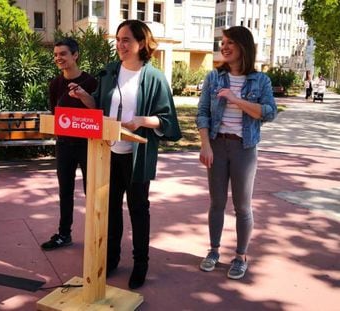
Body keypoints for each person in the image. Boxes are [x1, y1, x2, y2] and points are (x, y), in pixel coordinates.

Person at [68, 19, 182, 289]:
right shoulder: (109, 72)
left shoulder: (154, 77)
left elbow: (168, 122)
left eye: (126, 40)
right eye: (118, 39)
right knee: (111, 210)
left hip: (136, 156)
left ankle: (141, 264)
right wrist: (85, 97)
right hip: (108, 152)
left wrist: (142, 121)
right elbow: (100, 108)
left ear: (141, 43)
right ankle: (111, 258)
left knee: (138, 210)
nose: (120, 45)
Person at [195, 26, 277, 280]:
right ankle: (214, 250)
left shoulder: (260, 80)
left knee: (242, 206)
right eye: (223, 42)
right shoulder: (214, 78)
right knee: (217, 202)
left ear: (244, 46)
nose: (225, 46)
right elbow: (202, 113)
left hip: (244, 148)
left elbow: (269, 112)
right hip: (217, 146)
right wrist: (205, 144)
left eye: (231, 42)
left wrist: (236, 99)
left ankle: (241, 256)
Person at [41, 38, 98, 251]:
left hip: (88, 145)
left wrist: (84, 98)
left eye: (63, 54)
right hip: (64, 145)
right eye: (56, 55)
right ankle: (64, 234)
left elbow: (99, 112)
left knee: (91, 191)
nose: (58, 58)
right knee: (65, 190)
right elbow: (54, 114)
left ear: (75, 55)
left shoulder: (91, 82)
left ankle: (95, 234)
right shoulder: (55, 84)